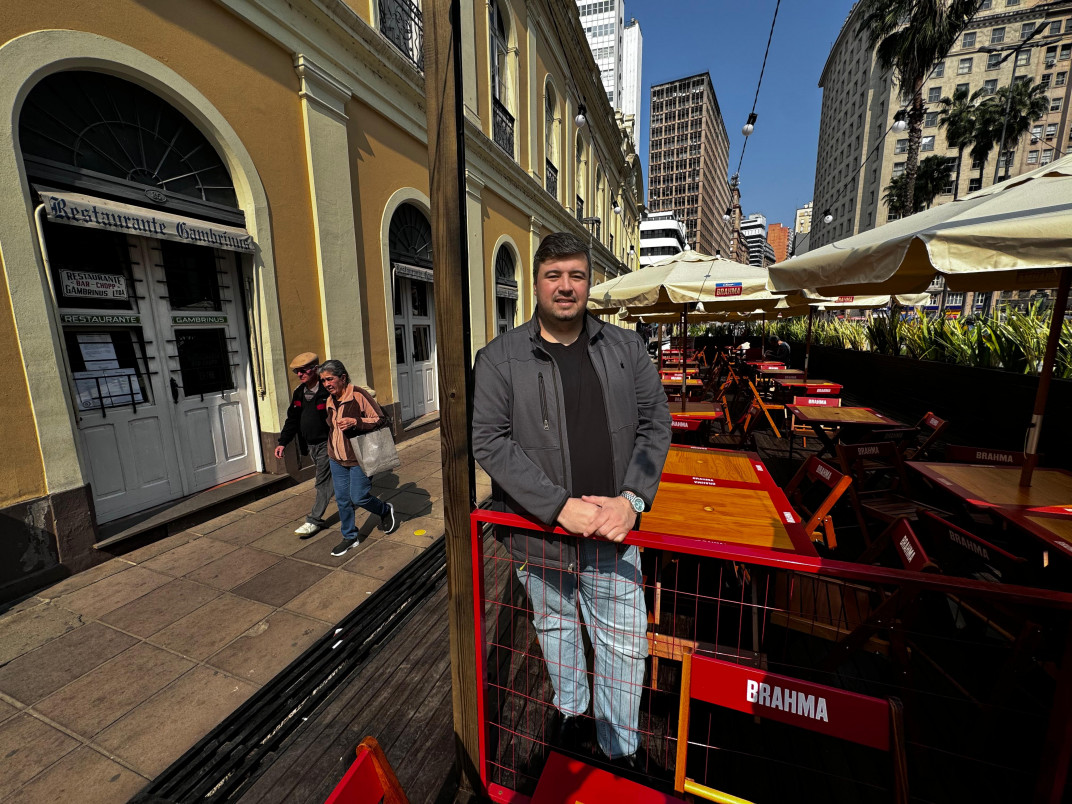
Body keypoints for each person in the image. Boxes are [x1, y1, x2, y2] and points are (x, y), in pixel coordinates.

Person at [472, 231, 671, 767]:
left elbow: (657, 425)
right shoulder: (498, 358)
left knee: (624, 647)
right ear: (535, 283)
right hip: (542, 536)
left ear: (590, 282)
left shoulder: (627, 348)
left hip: (612, 534)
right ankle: (571, 715)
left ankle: (619, 749)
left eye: (576, 275)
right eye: (553, 275)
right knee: (555, 630)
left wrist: (632, 500)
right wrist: (559, 506)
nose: (565, 287)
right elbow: (488, 439)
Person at [317, 359, 399, 557]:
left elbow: (381, 419)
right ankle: (350, 536)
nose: (326, 384)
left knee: (359, 496)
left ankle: (384, 510)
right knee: (343, 500)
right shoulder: (329, 399)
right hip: (336, 458)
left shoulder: (358, 395)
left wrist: (356, 421)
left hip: (359, 457)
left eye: (330, 379)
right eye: (323, 381)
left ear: (342, 377)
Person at [275, 352, 334, 536]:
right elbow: (292, 419)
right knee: (333, 479)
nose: (300, 375)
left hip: (328, 443)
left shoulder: (327, 390)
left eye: (303, 371)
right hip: (310, 445)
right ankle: (355, 491)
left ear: (315, 369)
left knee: (322, 482)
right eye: (296, 372)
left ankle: (314, 520)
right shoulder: (299, 392)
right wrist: (282, 442)